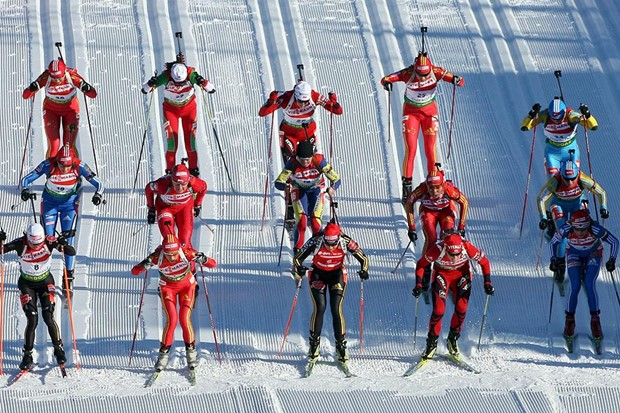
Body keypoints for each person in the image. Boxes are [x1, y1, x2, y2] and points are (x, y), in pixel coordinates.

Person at [20, 144, 104, 296]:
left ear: (72, 162)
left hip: (69, 205)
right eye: (61, 165)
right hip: (49, 204)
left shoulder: (79, 165)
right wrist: (25, 190)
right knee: (47, 241)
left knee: (67, 240)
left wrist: (98, 194)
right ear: (57, 161)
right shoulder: (48, 164)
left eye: (67, 165)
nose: (64, 168)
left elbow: (99, 183)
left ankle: (69, 276)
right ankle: (43, 278)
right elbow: (27, 178)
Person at [380, 52, 464, 203]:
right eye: (419, 74)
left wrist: (456, 80)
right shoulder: (409, 73)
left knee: (430, 149)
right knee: (411, 149)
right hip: (411, 113)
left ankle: (436, 187)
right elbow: (386, 78)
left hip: (429, 113)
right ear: (415, 69)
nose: (423, 77)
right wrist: (387, 84)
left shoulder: (435, 71)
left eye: (425, 74)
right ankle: (407, 190)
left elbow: (458, 79)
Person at [131, 234, 217, 371]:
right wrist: (143, 265)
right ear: (163, 251)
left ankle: (191, 354)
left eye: (174, 254)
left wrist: (204, 258)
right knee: (171, 320)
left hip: (187, 287)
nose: (171, 257)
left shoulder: (186, 253)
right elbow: (134, 271)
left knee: (184, 319)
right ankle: (163, 356)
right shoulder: (157, 255)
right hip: (167, 288)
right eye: (168, 254)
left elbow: (213, 264)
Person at [0, 223, 75, 370]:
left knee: (48, 316)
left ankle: (58, 349)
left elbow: (71, 252)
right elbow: (1, 250)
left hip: (46, 282)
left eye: (39, 243)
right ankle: (27, 355)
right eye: (33, 243)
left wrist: (63, 244)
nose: (36, 246)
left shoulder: (49, 241)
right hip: (27, 284)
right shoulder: (20, 243)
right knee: (32, 319)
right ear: (27, 238)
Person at [292, 221, 369, 363]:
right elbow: (298, 258)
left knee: (336, 308)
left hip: (337, 275)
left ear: (338, 239)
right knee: (320, 307)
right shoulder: (316, 240)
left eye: (334, 244)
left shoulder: (345, 240)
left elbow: (363, 257)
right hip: (318, 274)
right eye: (328, 243)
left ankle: (341, 346)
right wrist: (300, 268)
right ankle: (314, 345)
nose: (331, 247)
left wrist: (364, 271)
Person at [412, 233, 494, 359]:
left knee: (461, 308)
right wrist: (418, 284)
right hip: (442, 274)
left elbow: (484, 262)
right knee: (439, 310)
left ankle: (452, 339)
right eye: (452, 255)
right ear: (446, 248)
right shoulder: (438, 249)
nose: (455, 258)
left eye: (458, 254)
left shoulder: (466, 247)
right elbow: (421, 264)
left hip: (462, 275)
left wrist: (487, 283)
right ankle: (431, 343)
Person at [537, 153, 608, 287]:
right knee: (563, 235)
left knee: (582, 230)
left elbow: (601, 192)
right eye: (566, 178)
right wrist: (543, 217)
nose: (569, 182)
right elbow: (541, 199)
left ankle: (584, 262)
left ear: (577, 174)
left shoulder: (582, 178)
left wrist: (603, 207)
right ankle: (560, 264)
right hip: (559, 205)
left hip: (576, 204)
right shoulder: (555, 181)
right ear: (561, 175)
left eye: (572, 178)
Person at [549, 209, 618, 343]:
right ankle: (569, 320)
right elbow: (553, 242)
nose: (580, 232)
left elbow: (614, 241)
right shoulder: (567, 228)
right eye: (577, 229)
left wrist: (612, 260)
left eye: (583, 229)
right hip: (574, 252)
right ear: (573, 226)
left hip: (593, 253)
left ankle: (595, 321)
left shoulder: (595, 229)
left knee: (589, 284)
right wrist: (553, 259)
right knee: (574, 286)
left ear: (588, 226)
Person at [142, 56, 215, 176]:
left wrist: (203, 82)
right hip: (171, 111)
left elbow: (211, 89)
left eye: (182, 82)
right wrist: (151, 82)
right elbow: (145, 90)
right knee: (172, 144)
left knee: (190, 142)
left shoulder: (191, 74)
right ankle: (169, 172)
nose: (179, 84)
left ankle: (193, 171)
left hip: (189, 110)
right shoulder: (166, 76)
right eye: (176, 82)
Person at [404, 165, 469, 292]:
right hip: (428, 212)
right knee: (431, 237)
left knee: (448, 238)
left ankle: (448, 270)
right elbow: (409, 202)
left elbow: (464, 202)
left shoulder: (449, 190)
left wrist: (461, 226)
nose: (434, 191)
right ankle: (426, 271)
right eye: (431, 188)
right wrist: (411, 227)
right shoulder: (422, 189)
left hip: (446, 211)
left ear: (442, 185)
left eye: (437, 187)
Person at [22, 59, 97, 158]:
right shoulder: (46, 77)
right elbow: (25, 96)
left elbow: (93, 94)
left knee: (68, 146)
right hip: (51, 110)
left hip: (70, 110)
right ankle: (51, 172)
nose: (56, 81)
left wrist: (86, 88)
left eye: (59, 77)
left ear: (64, 72)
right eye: (53, 78)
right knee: (54, 144)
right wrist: (32, 88)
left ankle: (73, 170)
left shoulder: (71, 76)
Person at [274, 141, 341, 252]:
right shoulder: (293, 163)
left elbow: (336, 179)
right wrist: (285, 186)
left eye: (308, 159)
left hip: (317, 189)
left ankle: (319, 252)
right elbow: (278, 183)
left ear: (312, 156)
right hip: (299, 189)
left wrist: (332, 188)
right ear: (297, 157)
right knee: (302, 223)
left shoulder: (319, 161)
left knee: (315, 223)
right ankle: (297, 256)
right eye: (302, 160)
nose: (305, 162)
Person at [259, 80, 343, 164]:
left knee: (308, 160)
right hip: (289, 132)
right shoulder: (286, 97)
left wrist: (334, 103)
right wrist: (270, 102)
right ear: (295, 96)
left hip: (307, 132)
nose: (302, 105)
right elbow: (262, 113)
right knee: (290, 159)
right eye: (300, 101)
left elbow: (338, 111)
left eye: (306, 102)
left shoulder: (315, 97)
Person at [520, 97, 598, 177]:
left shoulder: (571, 115)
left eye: (560, 118)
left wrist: (587, 115)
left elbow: (593, 127)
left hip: (569, 152)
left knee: (571, 178)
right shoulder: (544, 115)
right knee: (553, 181)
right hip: (552, 153)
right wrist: (531, 115)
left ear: (564, 113)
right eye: (554, 119)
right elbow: (525, 127)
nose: (557, 121)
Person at [145, 162, 207, 248]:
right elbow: (148, 189)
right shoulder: (162, 184)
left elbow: (203, 187)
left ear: (188, 181)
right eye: (176, 184)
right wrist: (151, 208)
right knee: (170, 241)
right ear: (171, 180)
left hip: (184, 208)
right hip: (165, 208)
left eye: (183, 184)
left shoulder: (193, 183)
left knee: (184, 241)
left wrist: (197, 205)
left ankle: (189, 260)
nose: (180, 188)